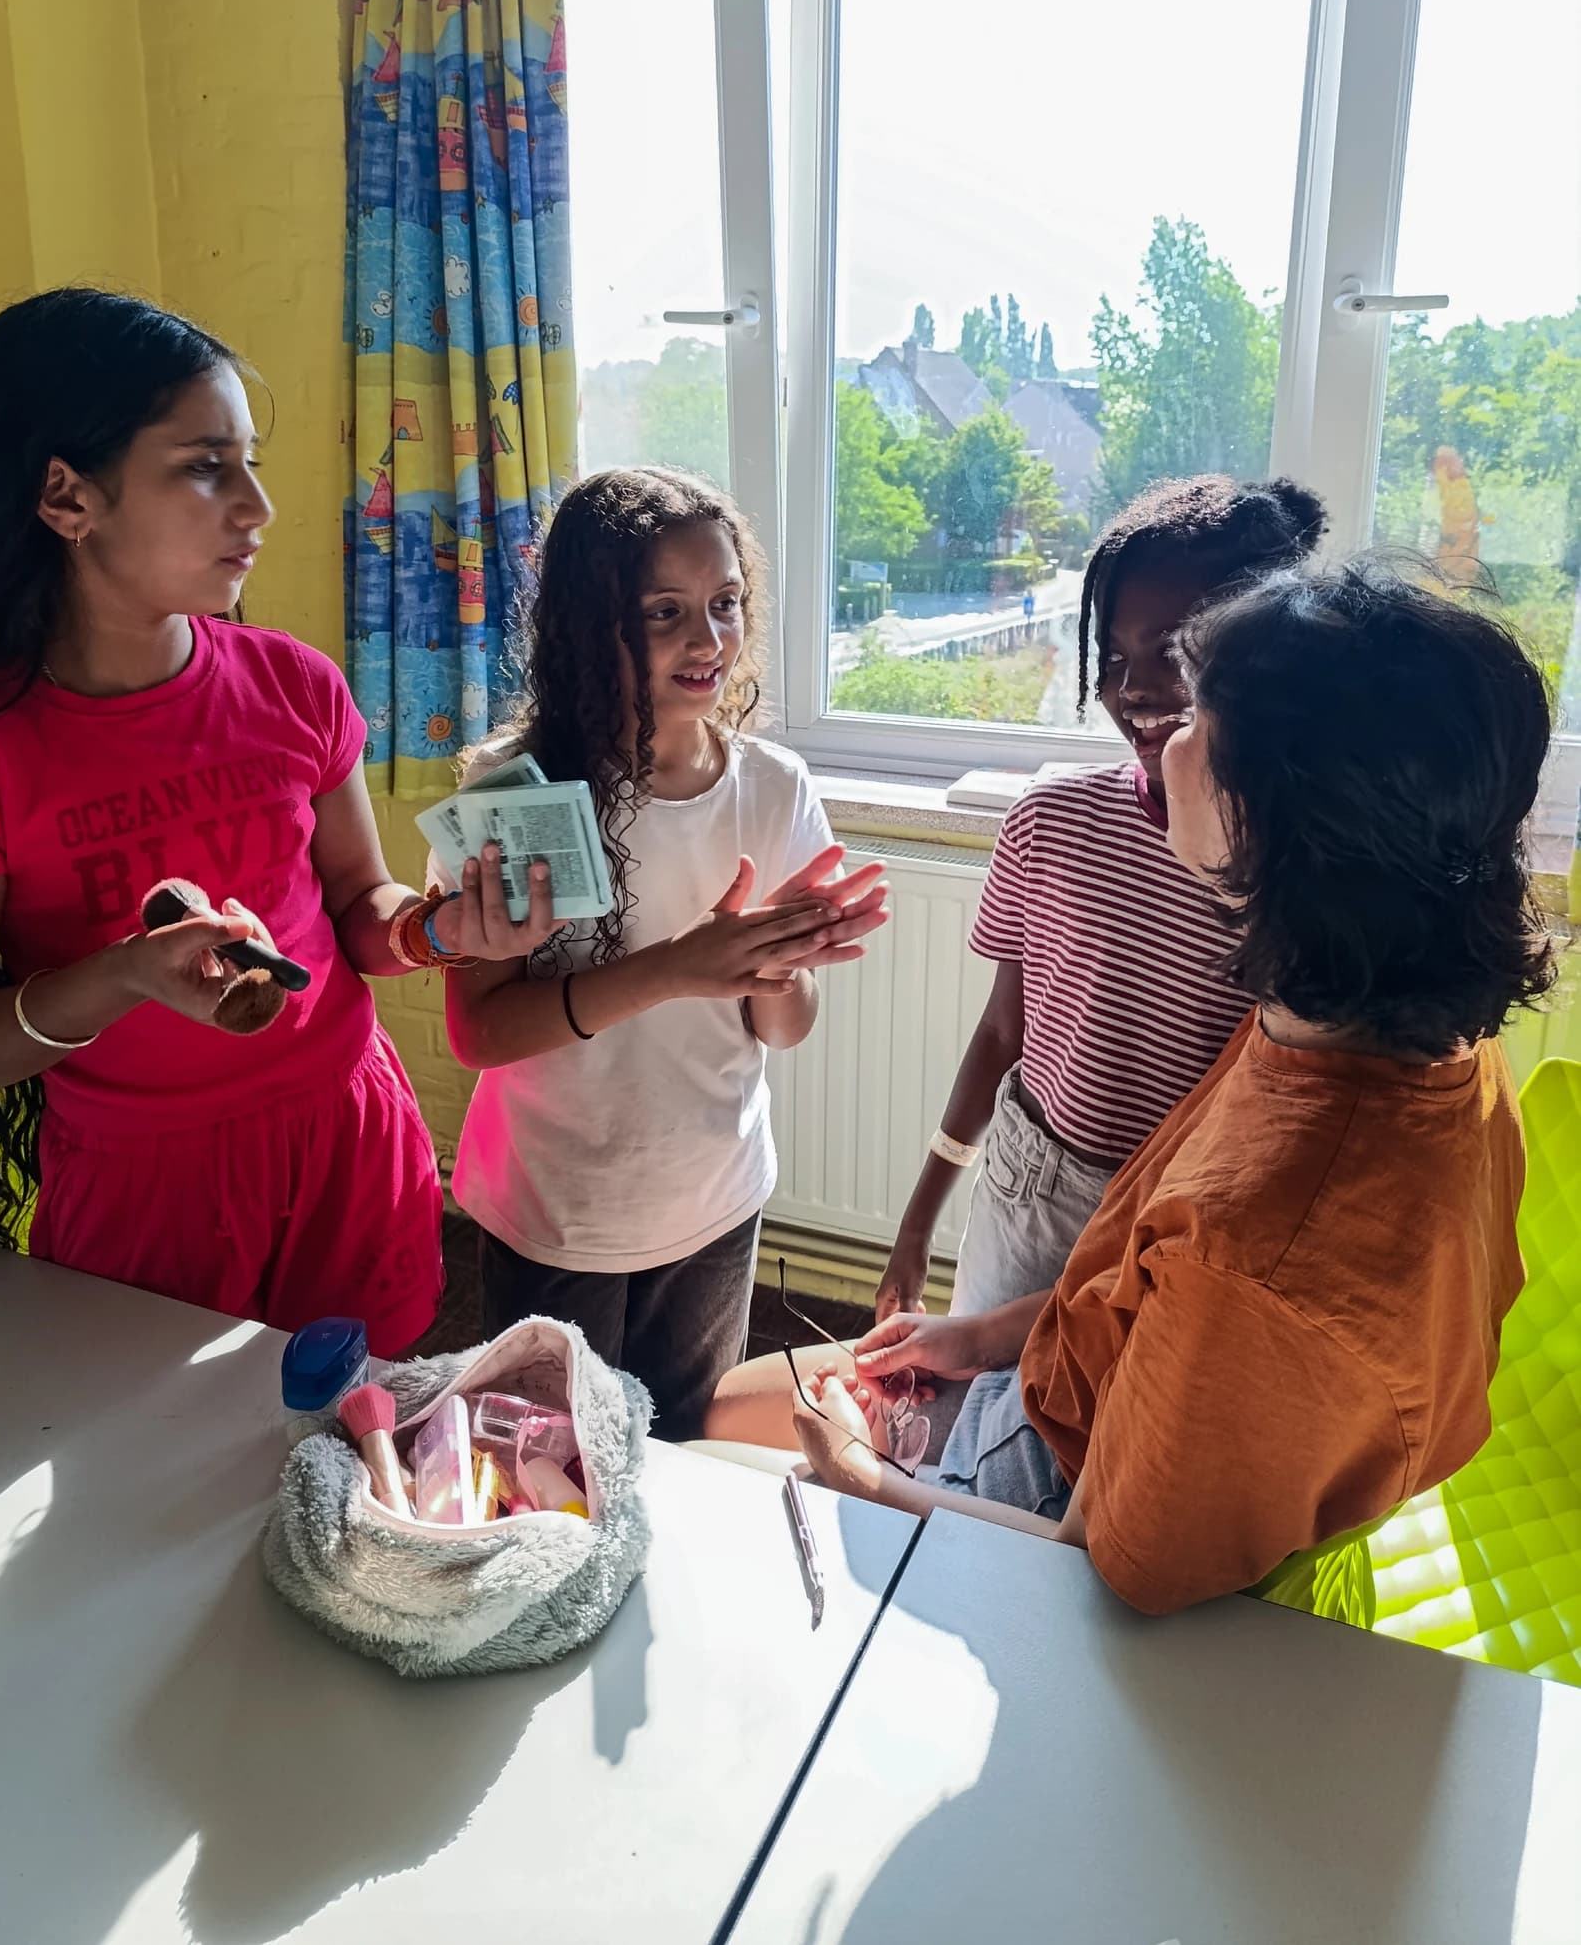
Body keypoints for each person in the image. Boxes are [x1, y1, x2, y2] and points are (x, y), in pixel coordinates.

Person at [708, 560, 1550, 1614]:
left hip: (1041, 1500)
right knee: (721, 1400)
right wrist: (977, 1336)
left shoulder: (1257, 1254)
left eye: (1199, 717)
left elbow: (1096, 1566)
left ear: (1276, 822)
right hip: (1048, 1384)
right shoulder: (1369, 1024)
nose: (1163, 734)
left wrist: (861, 1478)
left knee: (709, 1482)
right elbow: (1137, 1275)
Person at [0, 288, 556, 1354]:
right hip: (149, 1192)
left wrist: (441, 931)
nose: (256, 505)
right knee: (159, 1477)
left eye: (249, 462)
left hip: (349, 1141)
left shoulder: (294, 684)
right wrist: (123, 976)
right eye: (204, 466)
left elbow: (359, 910)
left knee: (357, 1446)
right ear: (67, 496)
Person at [439, 467, 888, 1438]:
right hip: (557, 1203)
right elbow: (478, 1030)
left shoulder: (774, 786)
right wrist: (682, 965)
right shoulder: (516, 787)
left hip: (711, 1195)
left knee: (678, 1445)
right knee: (546, 1457)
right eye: (664, 611)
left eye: (725, 604)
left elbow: (787, 1025)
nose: (708, 639)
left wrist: (778, 962)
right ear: (587, 624)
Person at [877, 476, 1326, 1327]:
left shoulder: (1298, 878)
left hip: (1189, 1218)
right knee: (984, 1428)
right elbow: (1004, 1030)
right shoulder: (1051, 822)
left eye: (1176, 652)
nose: (1136, 690)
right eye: (1114, 659)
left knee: (1118, 1445)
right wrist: (919, 1215)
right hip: (1032, 1192)